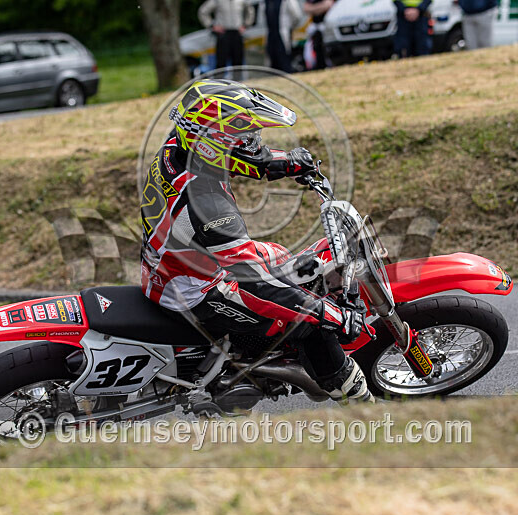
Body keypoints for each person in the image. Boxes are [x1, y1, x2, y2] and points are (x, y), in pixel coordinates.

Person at [140, 79, 374, 404]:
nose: (252, 144)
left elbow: (237, 156)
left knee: (283, 259)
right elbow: (255, 285)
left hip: (173, 264)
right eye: (245, 138)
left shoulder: (178, 147)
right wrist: (335, 317)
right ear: (215, 143)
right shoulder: (208, 204)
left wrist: (283, 162)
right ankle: (355, 398)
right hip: (195, 291)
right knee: (306, 323)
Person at [199, 0, 257, 70]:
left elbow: (250, 10)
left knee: (238, 63)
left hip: (237, 33)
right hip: (223, 34)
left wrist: (246, 25)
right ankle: (219, 80)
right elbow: (203, 11)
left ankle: (237, 80)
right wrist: (212, 25)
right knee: (221, 63)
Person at [265, 0, 304, 72]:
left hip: (283, 35)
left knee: (285, 62)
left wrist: (289, 27)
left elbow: (297, 16)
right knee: (273, 65)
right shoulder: (265, 2)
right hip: (271, 36)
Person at [303, 0, 335, 70]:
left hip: (327, 27)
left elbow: (328, 5)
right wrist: (321, 7)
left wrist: (314, 9)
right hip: (316, 28)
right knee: (314, 49)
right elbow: (306, 8)